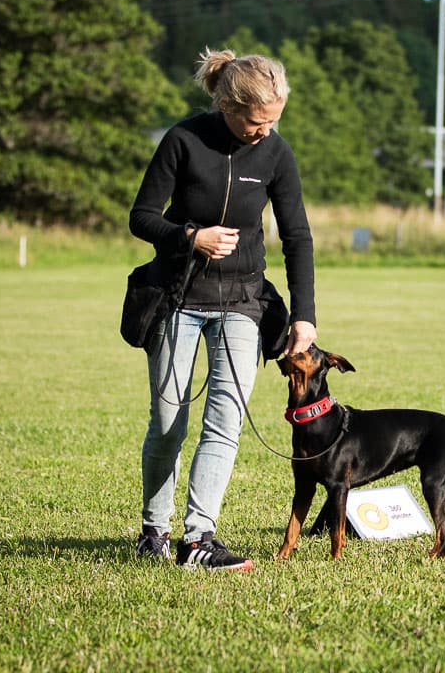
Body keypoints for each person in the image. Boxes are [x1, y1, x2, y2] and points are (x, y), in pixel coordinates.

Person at [128, 48, 317, 571]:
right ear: (226, 106)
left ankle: (198, 539)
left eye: (274, 121)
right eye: (256, 122)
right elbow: (142, 218)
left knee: (225, 422)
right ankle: (153, 531)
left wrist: (305, 316)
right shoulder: (182, 140)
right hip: (176, 299)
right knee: (168, 422)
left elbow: (297, 236)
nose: (265, 132)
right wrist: (192, 236)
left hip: (242, 301)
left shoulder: (276, 154)